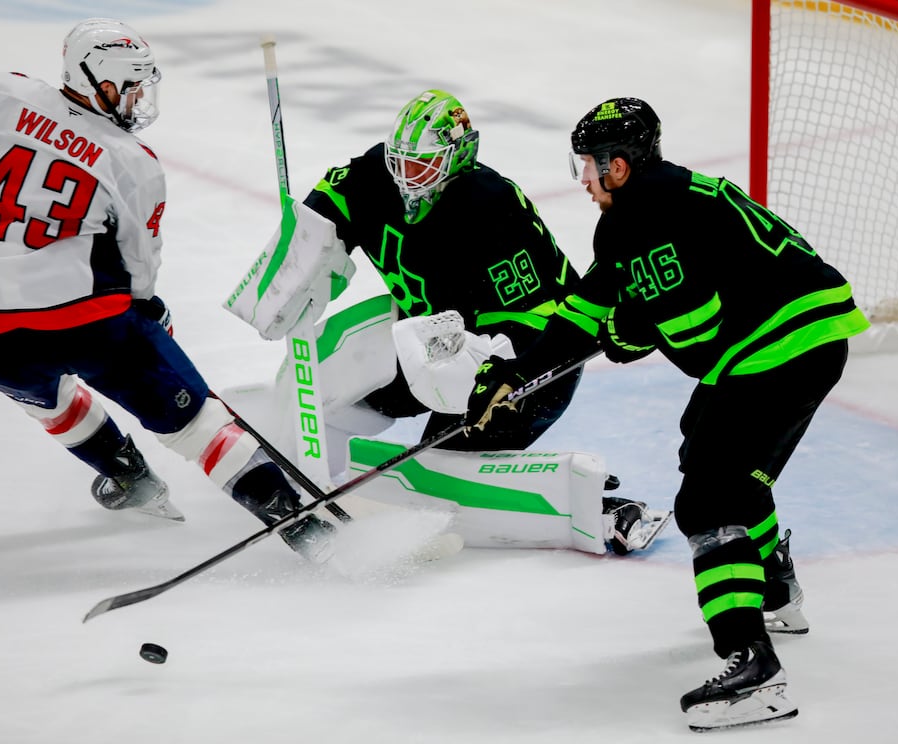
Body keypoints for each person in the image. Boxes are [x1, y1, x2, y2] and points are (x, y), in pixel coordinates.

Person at [464, 97, 869, 730]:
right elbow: (585, 312)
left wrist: (628, 332)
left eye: (589, 165)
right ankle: (774, 587)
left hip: (784, 346)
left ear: (619, 165)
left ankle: (754, 669)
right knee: (704, 448)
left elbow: (694, 333)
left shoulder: (651, 215)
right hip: (775, 340)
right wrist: (516, 374)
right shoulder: (647, 207)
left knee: (710, 498)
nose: (584, 178)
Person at [0, 18, 335, 562]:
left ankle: (128, 477)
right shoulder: (130, 160)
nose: (140, 97)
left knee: (44, 395)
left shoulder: (4, 94)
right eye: (132, 85)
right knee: (196, 424)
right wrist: (151, 316)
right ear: (98, 81)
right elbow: (139, 266)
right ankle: (303, 526)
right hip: (88, 327)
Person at [228, 88, 661, 555]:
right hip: (428, 339)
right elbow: (317, 218)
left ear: (459, 157)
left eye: (422, 166)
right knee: (321, 370)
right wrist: (296, 262)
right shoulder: (371, 176)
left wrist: (501, 378)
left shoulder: (491, 206)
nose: (407, 178)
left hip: (525, 360)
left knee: (441, 479)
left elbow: (534, 324)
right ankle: (281, 466)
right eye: (400, 163)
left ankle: (601, 512)